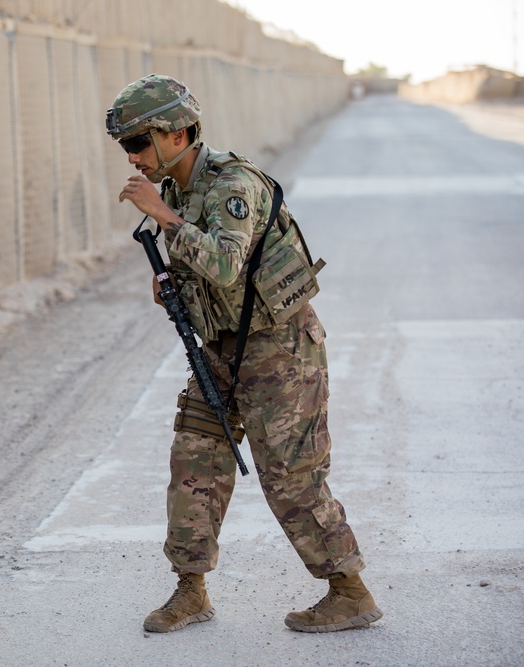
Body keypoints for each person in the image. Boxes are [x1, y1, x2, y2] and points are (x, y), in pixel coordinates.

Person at [106, 74, 383, 634]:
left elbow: (227, 264)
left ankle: (349, 592)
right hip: (222, 348)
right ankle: (190, 590)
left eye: (138, 142)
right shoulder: (178, 189)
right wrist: (173, 285)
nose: (132, 157)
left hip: (279, 350)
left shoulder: (233, 185)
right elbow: (208, 274)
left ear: (178, 133)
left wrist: (164, 218)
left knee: (290, 475)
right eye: (125, 146)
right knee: (195, 460)